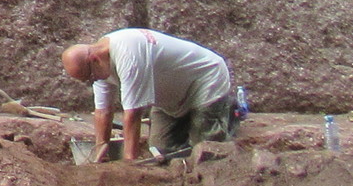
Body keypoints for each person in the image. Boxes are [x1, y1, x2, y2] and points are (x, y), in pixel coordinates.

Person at [62, 29, 235, 162]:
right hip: (171, 96)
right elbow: (103, 112)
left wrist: (129, 163)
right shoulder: (98, 64)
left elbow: (133, 114)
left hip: (205, 79)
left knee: (205, 150)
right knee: (161, 150)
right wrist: (100, 153)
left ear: (94, 60)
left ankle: (228, 123)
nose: (92, 81)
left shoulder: (128, 55)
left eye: (90, 77)